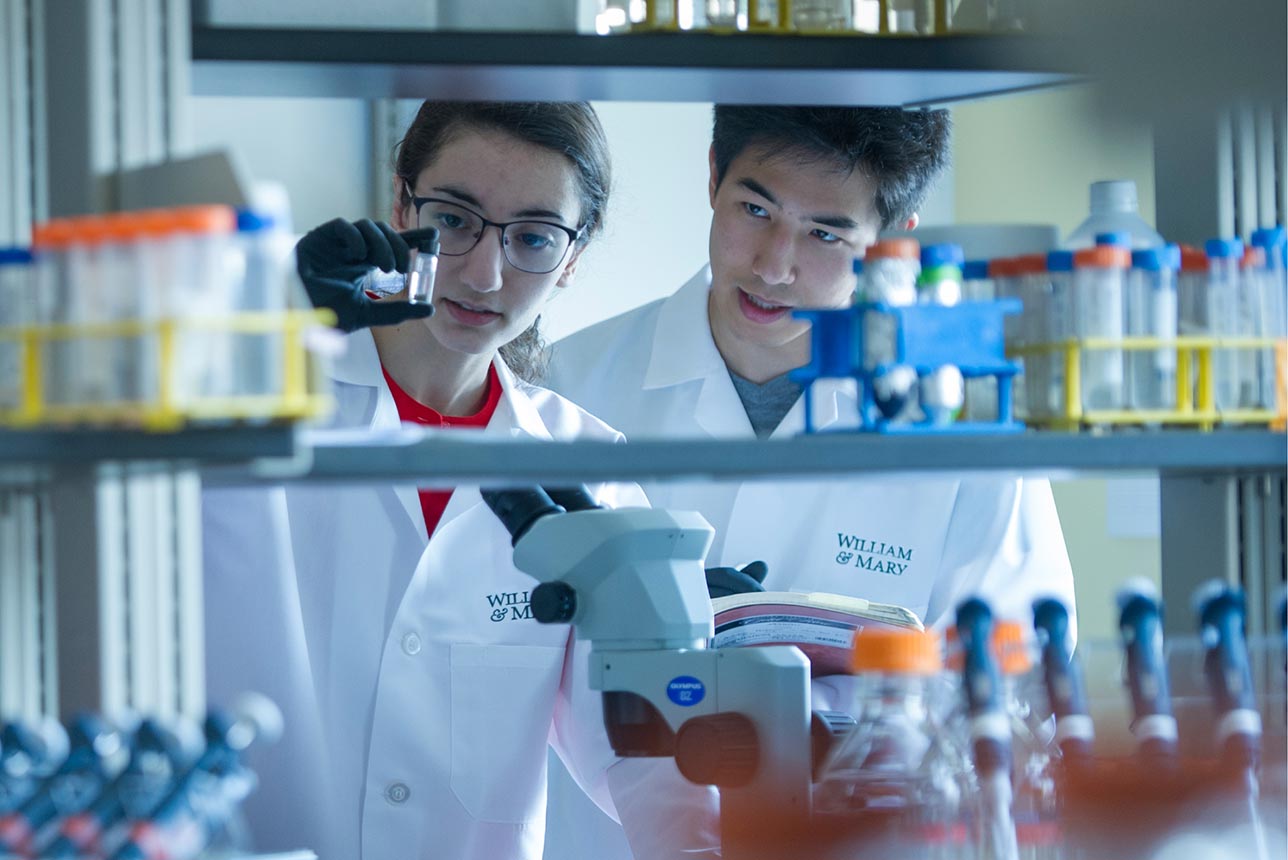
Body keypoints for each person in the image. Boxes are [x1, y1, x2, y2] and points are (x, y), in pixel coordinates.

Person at [544, 105, 1077, 856]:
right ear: (711, 177)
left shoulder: (960, 423)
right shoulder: (571, 388)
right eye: (754, 209)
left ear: (893, 243)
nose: (774, 264)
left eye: (825, 233)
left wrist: (806, 707)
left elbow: (1012, 689)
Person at [202, 101, 652, 860]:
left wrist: (699, 641)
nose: (484, 273)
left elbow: (629, 768)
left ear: (572, 258)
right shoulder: (262, 406)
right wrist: (272, 322)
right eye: (453, 220)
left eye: (535, 237)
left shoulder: (590, 471)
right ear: (400, 203)